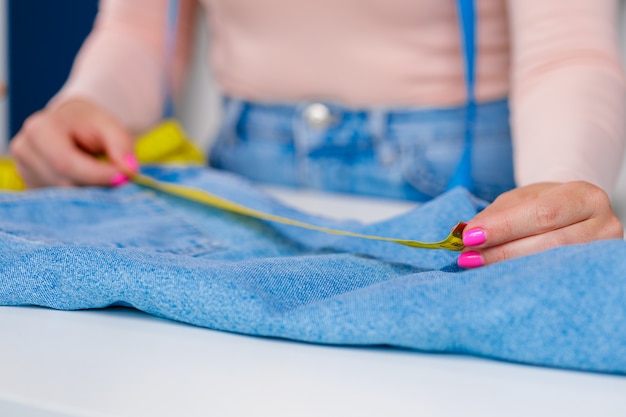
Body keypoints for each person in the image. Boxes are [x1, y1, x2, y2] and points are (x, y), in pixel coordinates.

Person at [9, 0, 626, 268]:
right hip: (243, 174)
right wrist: (82, 106)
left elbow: (565, 49)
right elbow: (141, 31)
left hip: (468, 184)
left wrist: (559, 192)